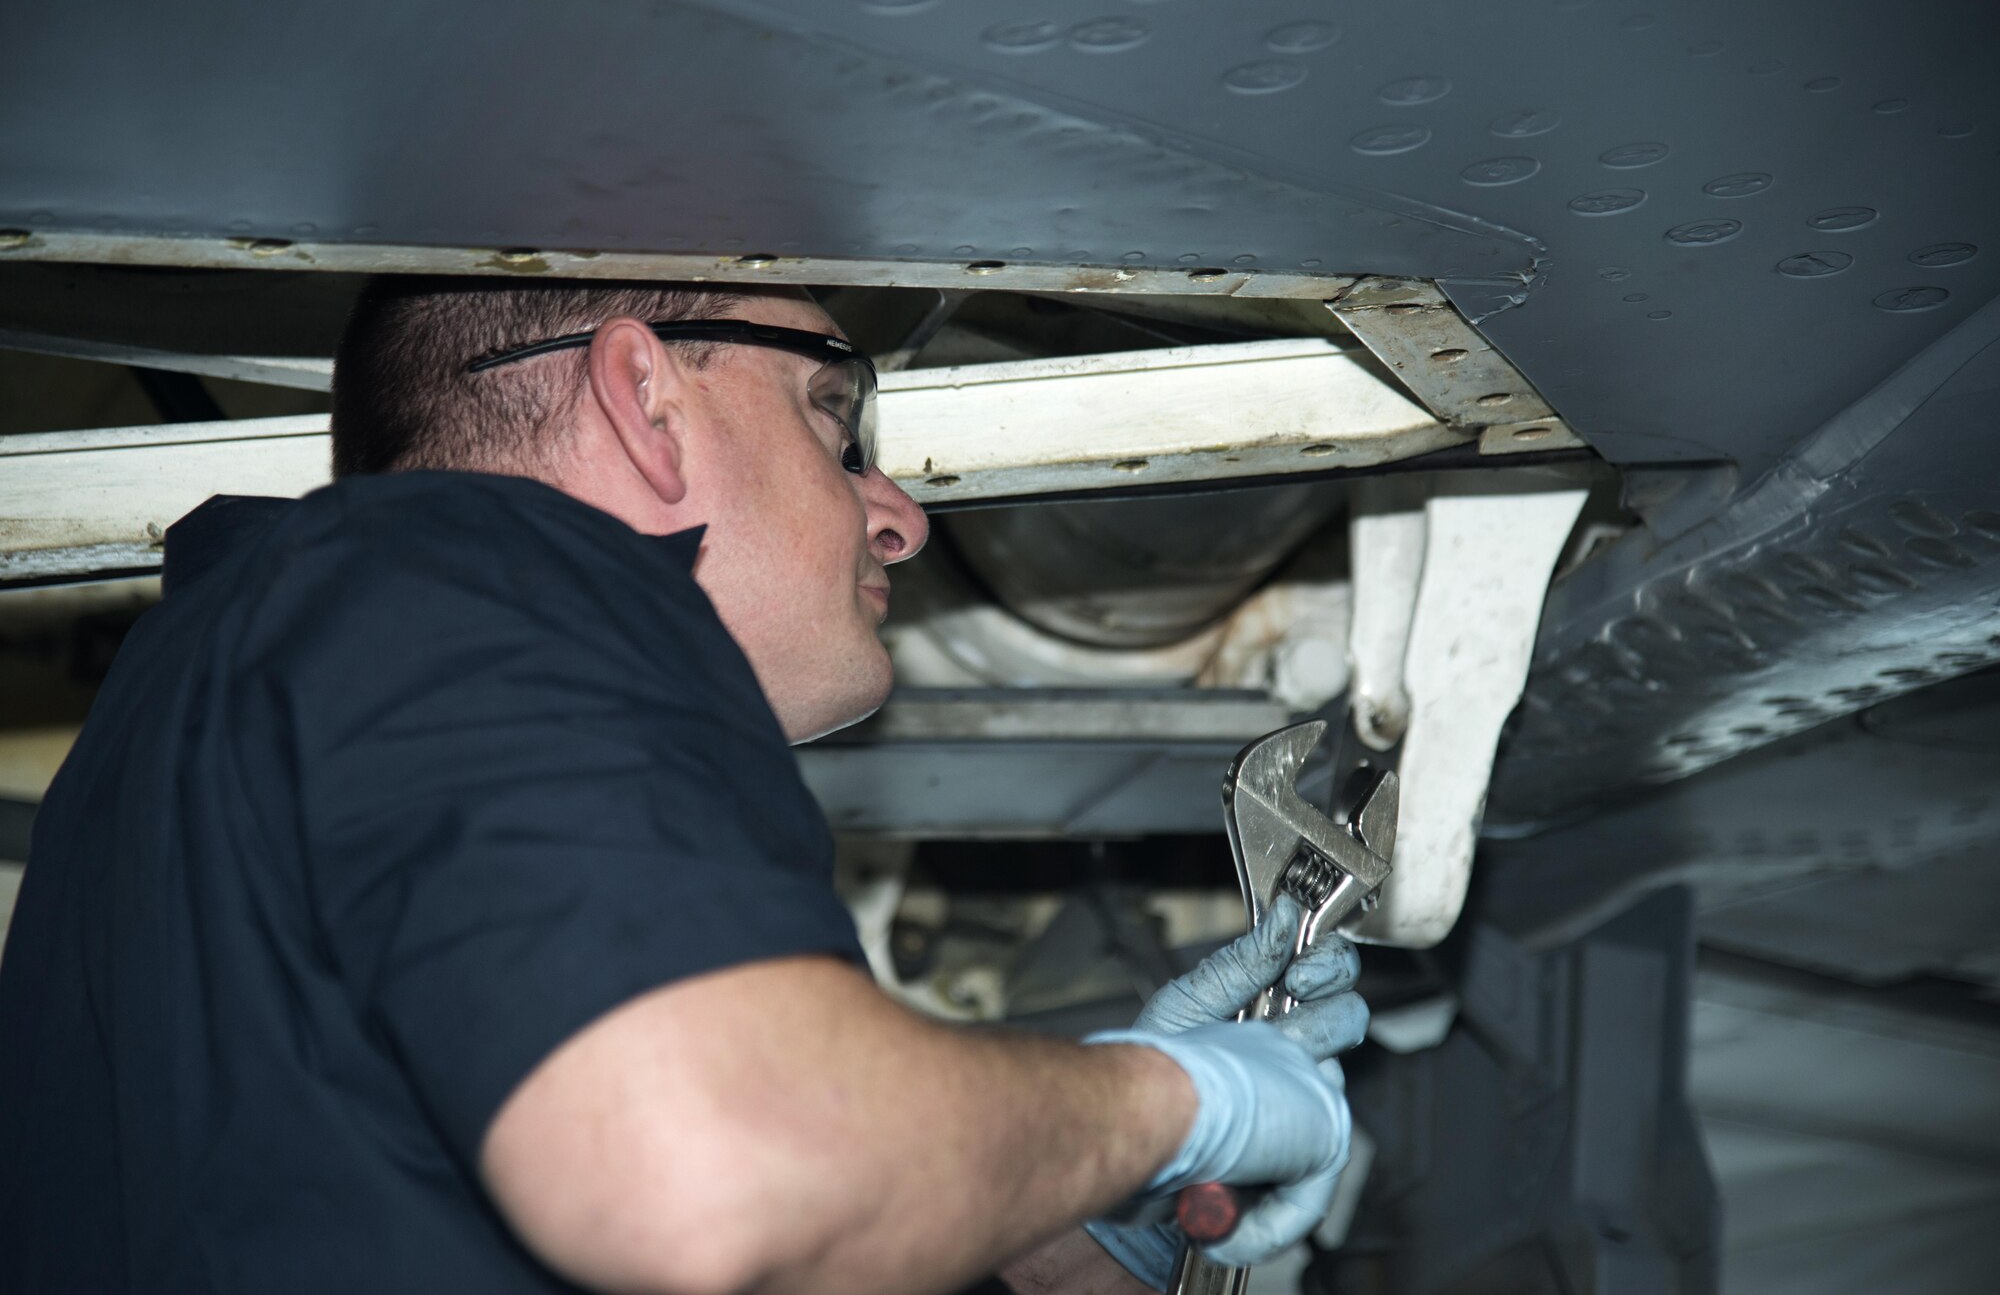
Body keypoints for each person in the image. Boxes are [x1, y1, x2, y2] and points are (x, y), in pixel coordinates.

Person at [0, 277, 1367, 1294]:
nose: (899, 514)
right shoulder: (463, 572)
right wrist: (1173, 1100)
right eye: (836, 423)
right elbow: (708, 1176)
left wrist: (1079, 1214)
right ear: (648, 402)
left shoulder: (258, 719)